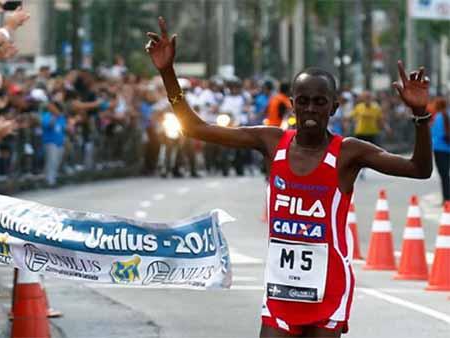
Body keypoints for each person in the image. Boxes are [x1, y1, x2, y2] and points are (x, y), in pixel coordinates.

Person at [145, 17, 432, 338]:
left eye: (320, 102)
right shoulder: (271, 142)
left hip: (329, 288)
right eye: (304, 101)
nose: (311, 109)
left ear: (334, 107)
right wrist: (167, 73)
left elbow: (419, 170)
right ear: (292, 105)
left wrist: (420, 116)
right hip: (280, 289)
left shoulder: (350, 152)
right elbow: (195, 128)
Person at [430, 97, 450, 204]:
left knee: (444, 175)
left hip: (440, 149)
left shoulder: (437, 117)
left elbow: (434, 135)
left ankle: (447, 199)